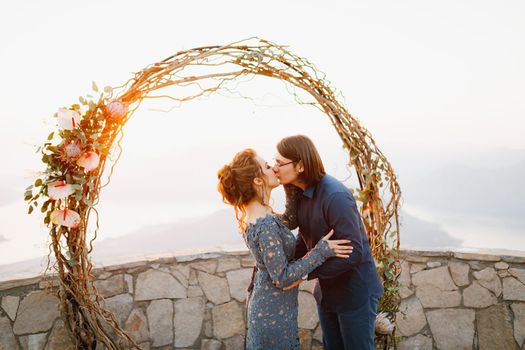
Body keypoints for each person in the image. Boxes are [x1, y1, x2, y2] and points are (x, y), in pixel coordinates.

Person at [217, 148, 353, 349]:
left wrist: (290, 184)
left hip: (273, 308)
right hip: (272, 314)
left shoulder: (260, 215)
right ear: (257, 180)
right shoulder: (265, 224)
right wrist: (321, 251)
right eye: (267, 166)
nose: (274, 168)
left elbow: (289, 220)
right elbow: (282, 278)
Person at [273, 135, 384, 350]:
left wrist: (305, 273)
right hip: (326, 294)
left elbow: (354, 253)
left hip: (355, 295)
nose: (275, 167)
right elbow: (305, 238)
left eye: (280, 162)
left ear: (301, 165)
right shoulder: (300, 193)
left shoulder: (335, 196)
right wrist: (285, 266)